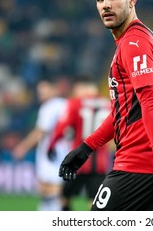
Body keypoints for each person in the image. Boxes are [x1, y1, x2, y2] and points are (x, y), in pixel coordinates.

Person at [58, 0, 153, 211]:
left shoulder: (133, 44)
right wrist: (87, 147)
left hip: (141, 164)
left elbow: (150, 103)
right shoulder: (142, 38)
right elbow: (125, 111)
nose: (106, 5)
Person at [47, 75, 112, 211]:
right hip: (99, 163)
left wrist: (52, 145)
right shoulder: (108, 104)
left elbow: (61, 127)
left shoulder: (76, 103)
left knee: (64, 196)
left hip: (78, 161)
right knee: (94, 201)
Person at [12, 78, 71, 211]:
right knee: (55, 188)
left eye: (44, 90)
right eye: (39, 92)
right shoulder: (67, 104)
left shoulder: (49, 107)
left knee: (48, 188)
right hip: (64, 150)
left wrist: (22, 147)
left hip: (51, 153)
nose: (41, 94)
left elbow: (40, 131)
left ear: (53, 89)